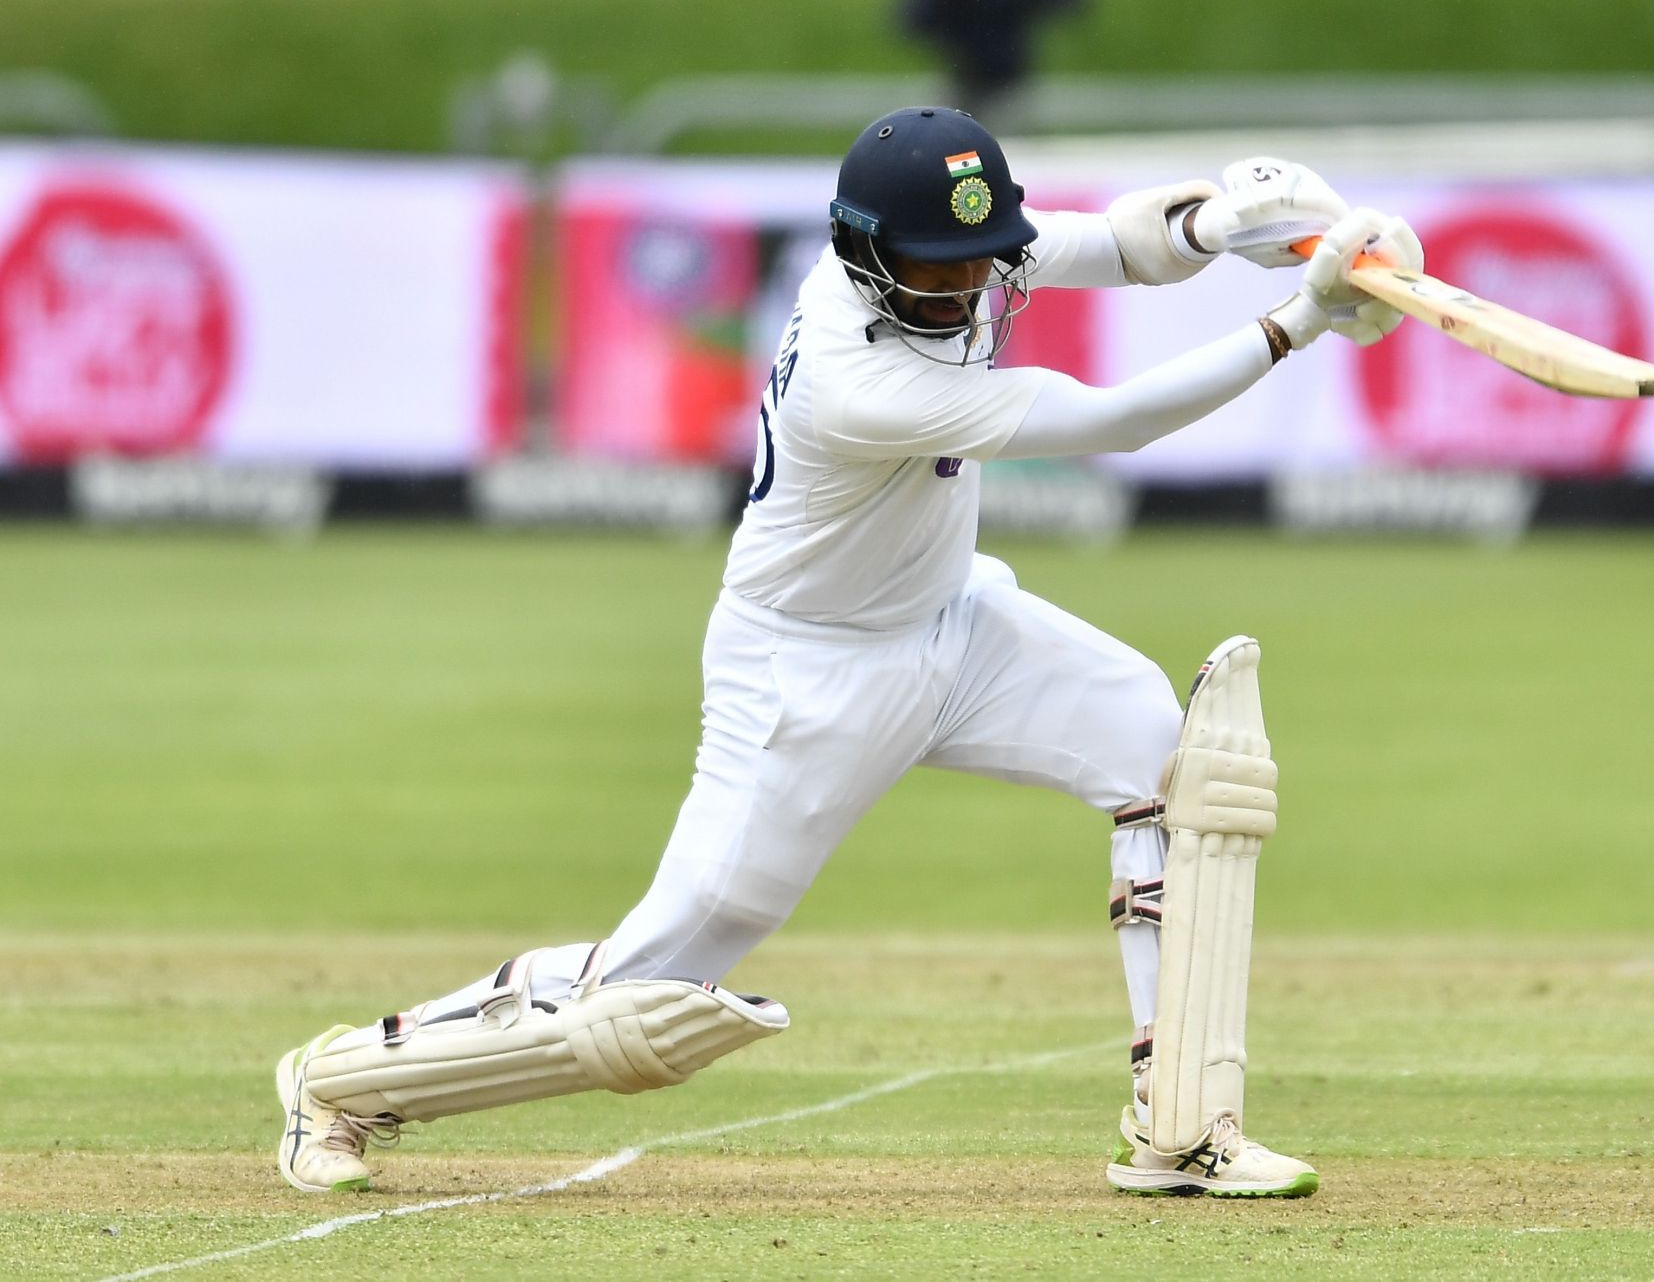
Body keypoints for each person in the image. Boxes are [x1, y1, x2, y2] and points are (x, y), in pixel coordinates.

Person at [275, 107, 1422, 1199]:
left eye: (980, 260)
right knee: (645, 1000)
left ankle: (1179, 1127)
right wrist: (1300, 319)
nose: (966, 286)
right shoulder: (857, 375)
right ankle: (340, 1085)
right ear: (866, 256)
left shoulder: (961, 249)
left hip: (955, 620)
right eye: (937, 268)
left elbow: (1124, 244)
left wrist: (1235, 225)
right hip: (806, 675)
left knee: (1169, 761)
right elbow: (1109, 423)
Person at [900, 0, 1085, 124]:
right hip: (1010, 70)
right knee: (1011, 139)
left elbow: (916, 15)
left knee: (955, 136)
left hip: (965, 69)